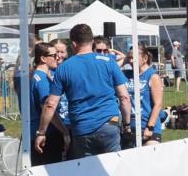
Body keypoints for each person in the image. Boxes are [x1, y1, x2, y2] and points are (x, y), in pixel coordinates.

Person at [35, 23, 132, 158]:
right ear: (92, 42)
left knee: (87, 174)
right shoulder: (108, 62)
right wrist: (127, 124)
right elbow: (124, 97)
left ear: (73, 44)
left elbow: (50, 103)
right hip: (109, 123)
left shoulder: (64, 68)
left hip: (82, 128)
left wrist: (41, 132)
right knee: (113, 170)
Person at [29, 42, 69, 165]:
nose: (57, 57)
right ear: (43, 58)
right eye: (54, 55)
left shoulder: (36, 76)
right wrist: (64, 131)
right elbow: (48, 109)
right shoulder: (42, 81)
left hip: (38, 132)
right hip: (48, 135)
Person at [126, 44, 165, 145]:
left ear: (145, 58)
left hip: (149, 127)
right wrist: (126, 59)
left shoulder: (152, 76)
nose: (130, 61)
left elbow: (158, 104)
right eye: (129, 58)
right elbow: (112, 68)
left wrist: (150, 127)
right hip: (131, 127)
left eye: (133, 58)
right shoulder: (127, 74)